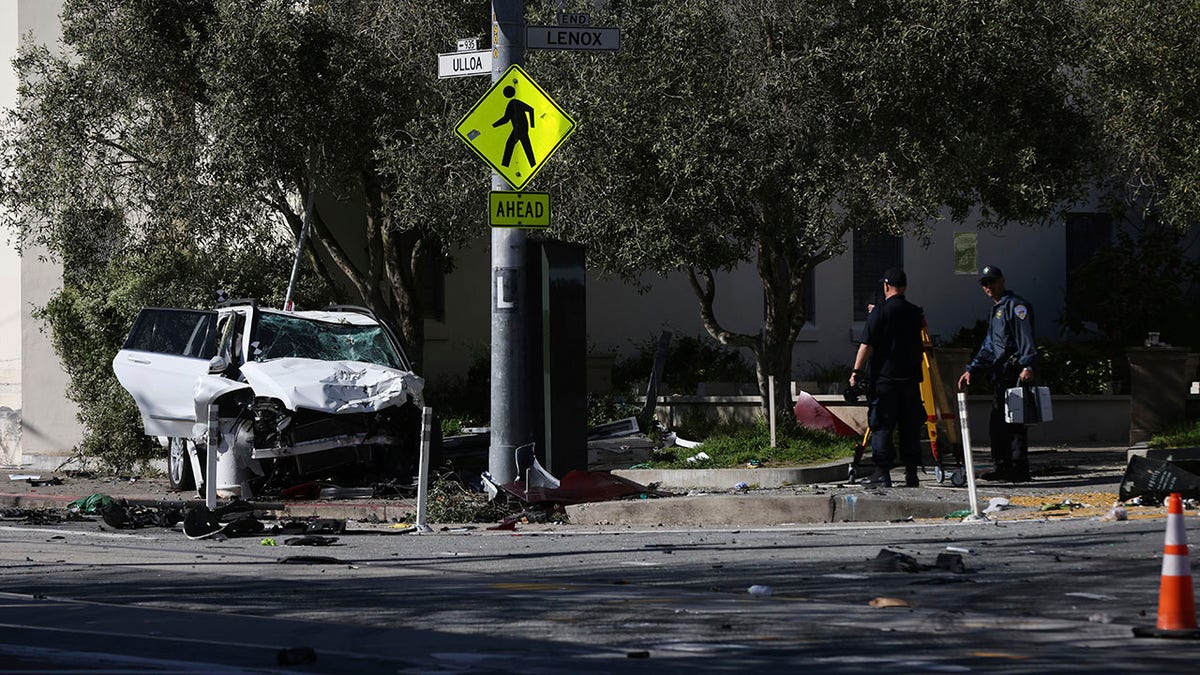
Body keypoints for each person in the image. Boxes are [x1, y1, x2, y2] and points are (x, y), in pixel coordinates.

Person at [956, 265, 1037, 482]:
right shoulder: (997, 309)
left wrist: (1028, 365)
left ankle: (1018, 469)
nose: (988, 286)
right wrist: (972, 369)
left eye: (992, 281)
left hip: (1014, 373)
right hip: (1001, 374)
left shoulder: (1015, 306)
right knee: (998, 423)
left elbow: (1025, 337)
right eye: (984, 283)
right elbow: (990, 346)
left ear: (1002, 280)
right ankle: (1003, 467)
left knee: (1015, 423)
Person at [849, 267, 926, 488]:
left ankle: (882, 473)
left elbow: (867, 344)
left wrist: (855, 372)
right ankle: (912, 474)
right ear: (905, 287)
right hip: (910, 380)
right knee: (909, 427)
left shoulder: (880, 312)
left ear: (885, 286)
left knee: (882, 425)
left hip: (885, 381)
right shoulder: (915, 312)